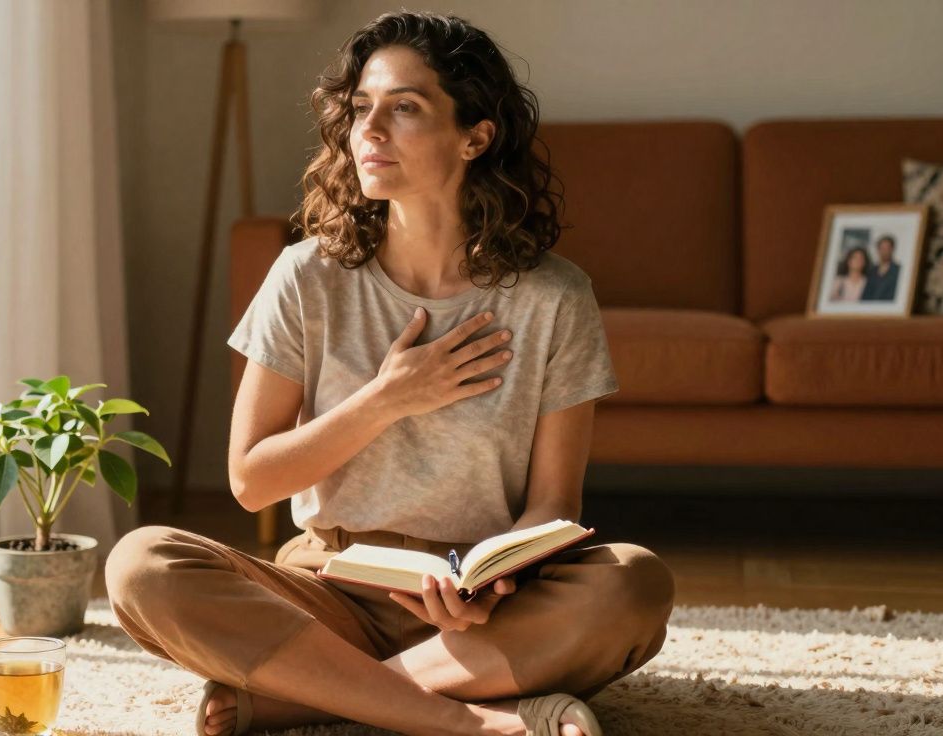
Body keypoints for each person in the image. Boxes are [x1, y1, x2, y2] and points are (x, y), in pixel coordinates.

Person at [106, 11, 674, 736]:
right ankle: (473, 724)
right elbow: (252, 478)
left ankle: (308, 698)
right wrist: (387, 399)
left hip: (486, 611)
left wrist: (490, 583)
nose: (368, 131)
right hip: (329, 591)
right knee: (142, 565)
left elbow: (552, 508)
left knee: (635, 583)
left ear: (476, 135)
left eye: (404, 108)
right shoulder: (305, 277)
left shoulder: (554, 299)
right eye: (360, 108)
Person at [860, 235, 901, 301]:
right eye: (882, 248)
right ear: (878, 250)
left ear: (892, 249)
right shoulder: (870, 271)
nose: (885, 251)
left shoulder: (899, 270)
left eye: (887, 248)